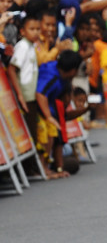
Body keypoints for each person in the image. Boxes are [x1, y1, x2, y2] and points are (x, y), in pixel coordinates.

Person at [35, 50, 83, 179]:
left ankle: (48, 167)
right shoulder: (51, 75)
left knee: (53, 133)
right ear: (73, 70)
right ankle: (41, 169)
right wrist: (49, 117)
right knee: (45, 134)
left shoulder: (64, 77)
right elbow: (40, 94)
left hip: (50, 107)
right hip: (36, 108)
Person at [8, 15, 42, 175]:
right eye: (31, 29)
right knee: (28, 132)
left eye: (37, 29)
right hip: (25, 96)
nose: (35, 32)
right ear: (22, 31)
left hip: (32, 95)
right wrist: (20, 95)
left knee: (33, 131)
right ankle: (30, 169)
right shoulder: (22, 46)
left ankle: (33, 168)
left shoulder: (31, 46)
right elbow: (12, 69)